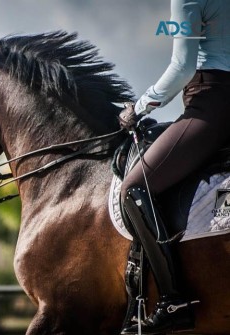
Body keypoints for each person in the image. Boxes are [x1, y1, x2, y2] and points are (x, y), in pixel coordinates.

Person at [118, 0, 230, 334]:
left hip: (212, 104)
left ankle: (173, 300)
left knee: (133, 188)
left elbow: (182, 68)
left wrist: (138, 108)